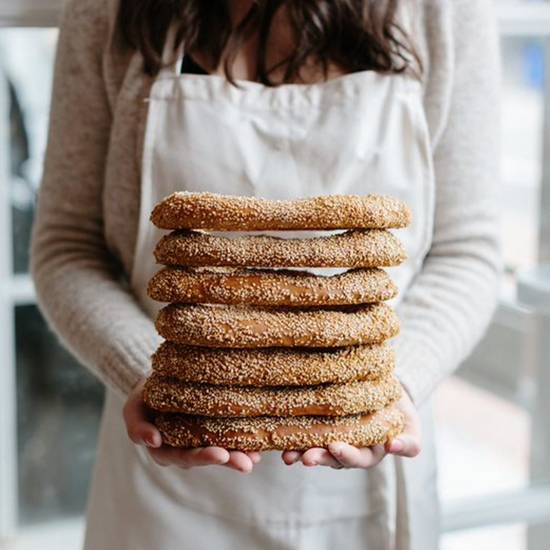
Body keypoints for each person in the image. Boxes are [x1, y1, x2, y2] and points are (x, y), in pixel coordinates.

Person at [30, 0, 501, 549]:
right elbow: (68, 246)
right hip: (163, 486)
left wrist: (387, 389)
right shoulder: (105, 11)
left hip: (370, 479)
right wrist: (154, 377)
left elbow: (466, 250)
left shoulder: (443, 12)